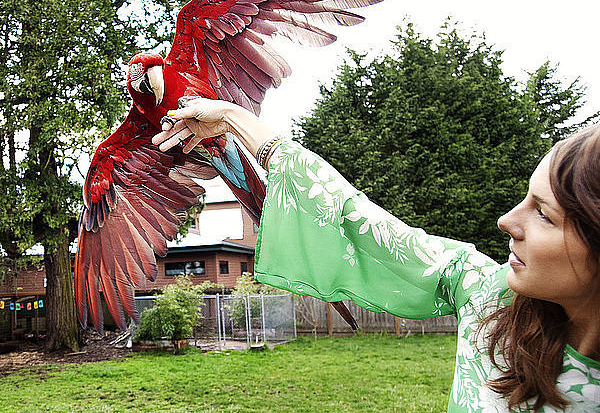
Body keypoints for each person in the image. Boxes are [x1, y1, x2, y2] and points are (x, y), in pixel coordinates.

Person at [152, 98, 600, 412]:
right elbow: (353, 216)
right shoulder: (488, 296)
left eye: (544, 214)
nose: (506, 220)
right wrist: (232, 118)